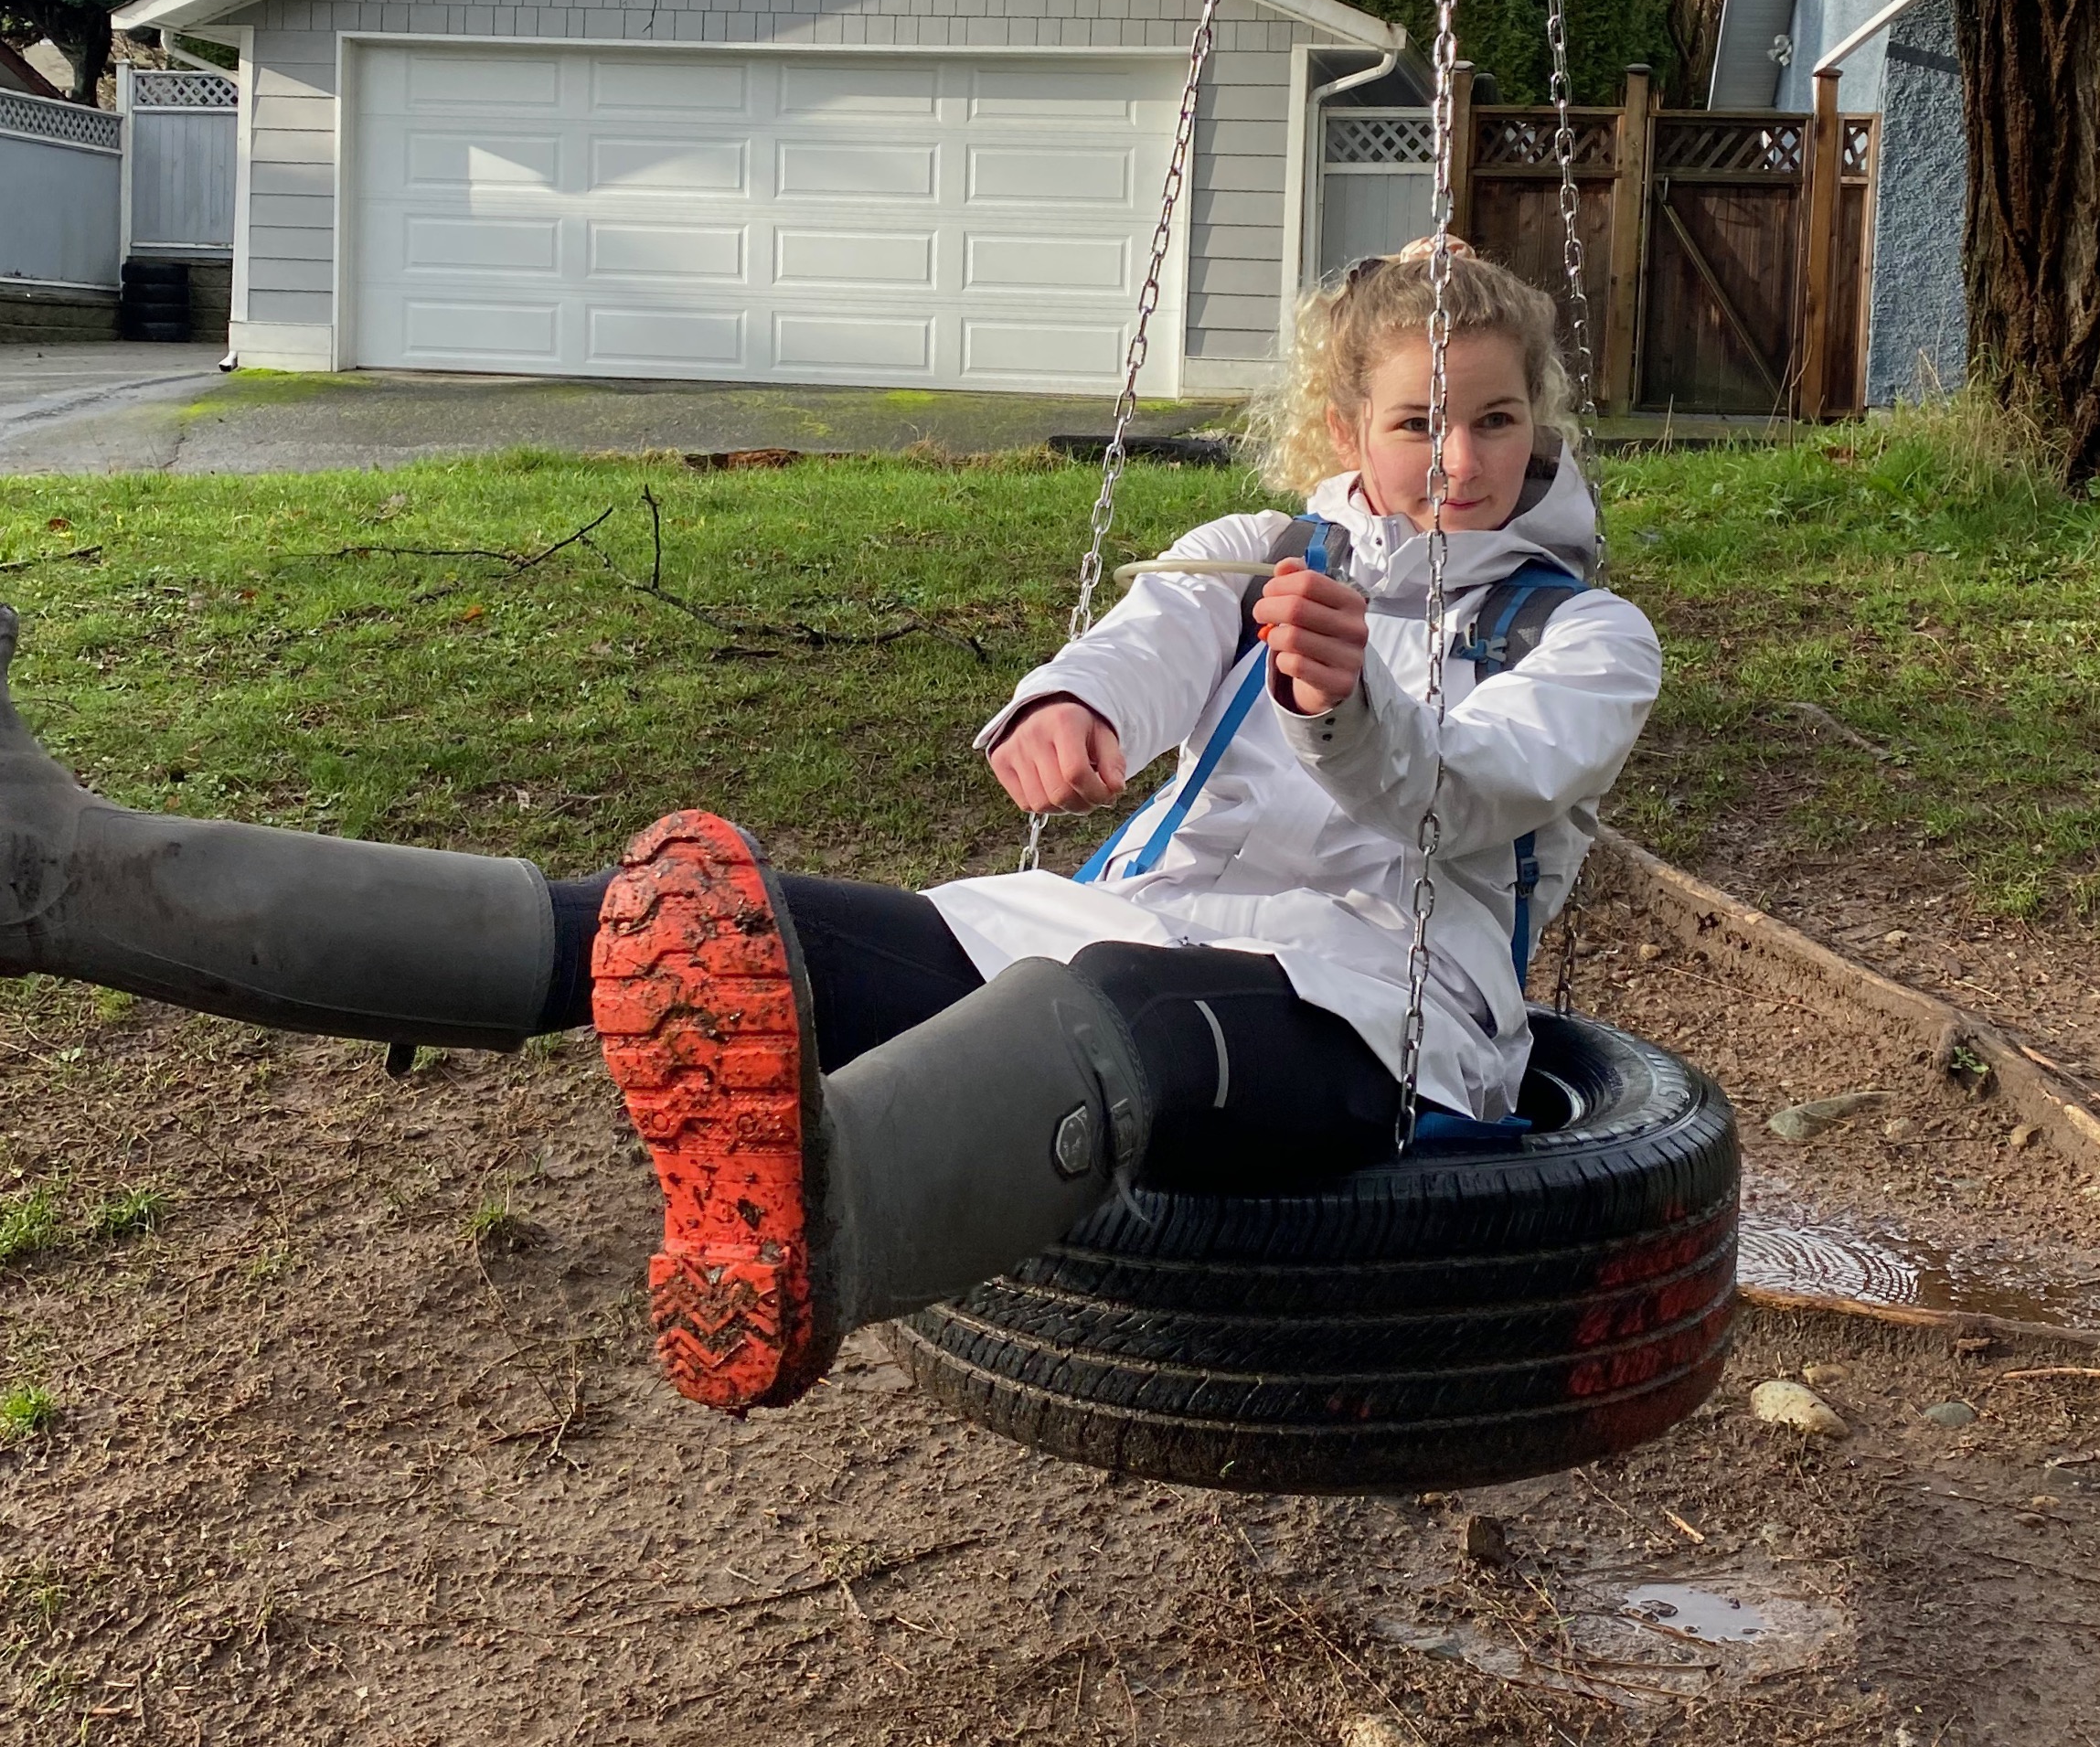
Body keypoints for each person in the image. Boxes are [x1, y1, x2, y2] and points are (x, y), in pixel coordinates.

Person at [0, 250, 1658, 1418]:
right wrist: (1068, 711)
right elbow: (1145, 642)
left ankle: (802, 1229)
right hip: (1122, 925)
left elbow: (1466, 793)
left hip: (1383, 1017)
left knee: (1111, 1014)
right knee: (698, 917)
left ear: (1540, 426)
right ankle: (62, 874)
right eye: (1418, 422)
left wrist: (1340, 704)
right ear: (1346, 433)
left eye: (1495, 420)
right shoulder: (1260, 551)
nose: (1458, 460)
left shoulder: (1590, 639)